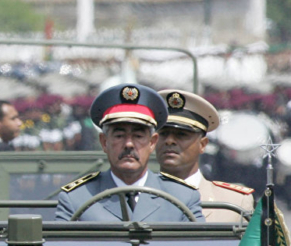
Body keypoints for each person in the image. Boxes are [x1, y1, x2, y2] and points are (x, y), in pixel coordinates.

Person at [55, 83, 205, 222]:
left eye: (138, 136)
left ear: (152, 143)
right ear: (104, 142)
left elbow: (199, 242)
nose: (128, 144)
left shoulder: (182, 198)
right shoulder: (77, 199)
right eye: (119, 136)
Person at [156, 89, 254, 222]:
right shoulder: (136, 196)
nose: (169, 141)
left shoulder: (234, 203)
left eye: (181, 135)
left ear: (202, 144)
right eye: (163, 133)